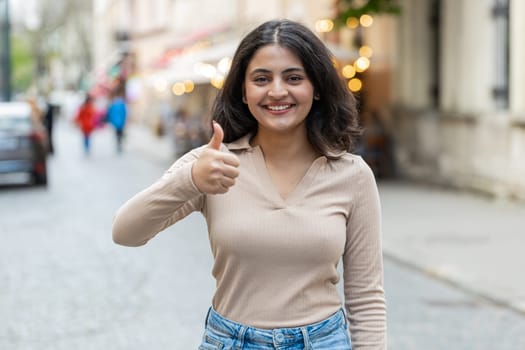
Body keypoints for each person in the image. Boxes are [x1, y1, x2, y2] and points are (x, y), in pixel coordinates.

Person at [112, 19, 386, 350]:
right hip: (231, 341)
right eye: (261, 79)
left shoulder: (352, 175)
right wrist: (190, 180)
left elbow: (366, 298)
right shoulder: (212, 164)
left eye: (294, 77)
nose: (277, 91)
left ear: (316, 88)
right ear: (243, 90)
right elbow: (125, 232)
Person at [106, 86, 128, 153]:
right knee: (120, 133)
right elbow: (125, 113)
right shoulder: (122, 104)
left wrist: (110, 120)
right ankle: (119, 144)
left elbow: (110, 113)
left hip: (115, 122)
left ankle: (118, 144)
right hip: (121, 122)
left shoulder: (113, 103)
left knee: (117, 133)